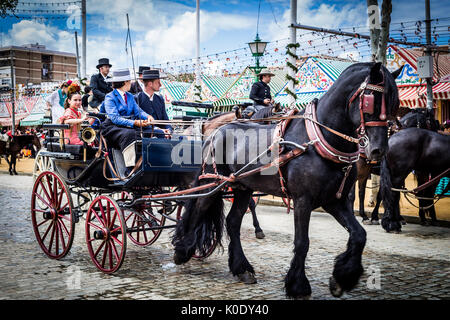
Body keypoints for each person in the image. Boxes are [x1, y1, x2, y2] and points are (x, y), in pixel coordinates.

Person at [101, 69, 156, 175]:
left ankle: (149, 162)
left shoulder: (130, 96)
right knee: (130, 134)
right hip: (112, 127)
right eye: (129, 81)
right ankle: (129, 168)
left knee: (152, 131)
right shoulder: (110, 97)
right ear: (125, 82)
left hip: (128, 126)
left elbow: (138, 111)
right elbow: (114, 118)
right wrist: (134, 123)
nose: (131, 83)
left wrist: (148, 116)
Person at [135, 69, 172, 135]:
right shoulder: (137, 99)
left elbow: (166, 120)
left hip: (163, 134)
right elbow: (137, 122)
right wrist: (158, 130)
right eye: (158, 82)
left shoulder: (160, 99)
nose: (160, 85)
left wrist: (169, 130)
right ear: (150, 84)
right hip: (147, 135)